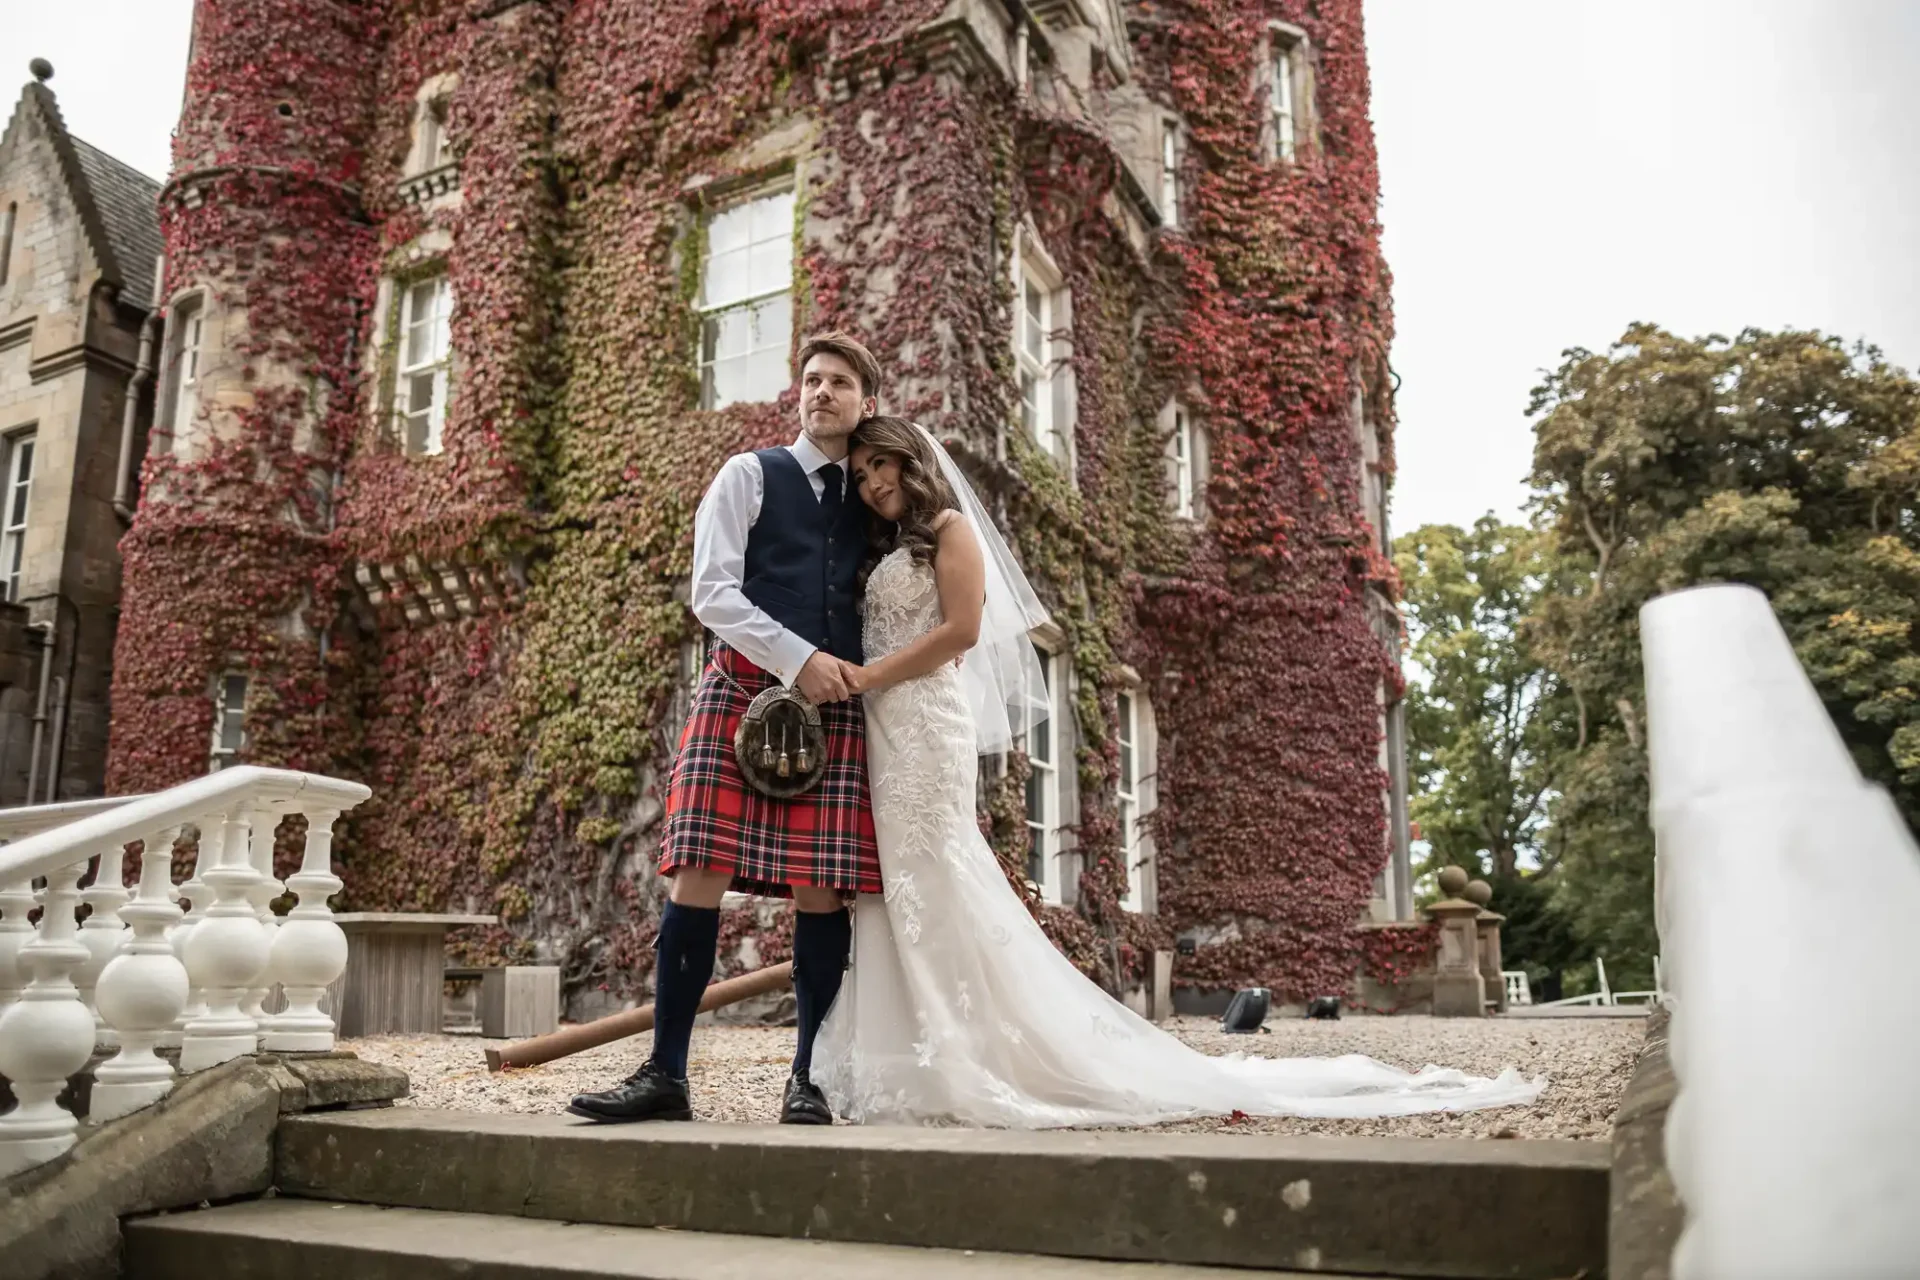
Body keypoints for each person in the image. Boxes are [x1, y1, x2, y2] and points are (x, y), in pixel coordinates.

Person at [810, 416, 1547, 1128]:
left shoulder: (950, 530)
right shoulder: (881, 547)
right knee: (892, 881)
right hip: (884, 727)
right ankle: (901, 1055)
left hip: (924, 724)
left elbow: (963, 632)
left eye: (885, 464)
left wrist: (869, 677)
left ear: (913, 461)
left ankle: (964, 1053)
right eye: (865, 469)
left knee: (935, 875)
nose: (874, 481)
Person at [566, 332, 884, 1127]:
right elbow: (711, 592)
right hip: (742, 690)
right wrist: (797, 657)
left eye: (840, 382)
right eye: (811, 379)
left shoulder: (880, 499)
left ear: (866, 403)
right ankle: (665, 1073)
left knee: (823, 892)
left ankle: (808, 1079)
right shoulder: (749, 475)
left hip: (837, 710)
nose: (822, 392)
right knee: (695, 873)